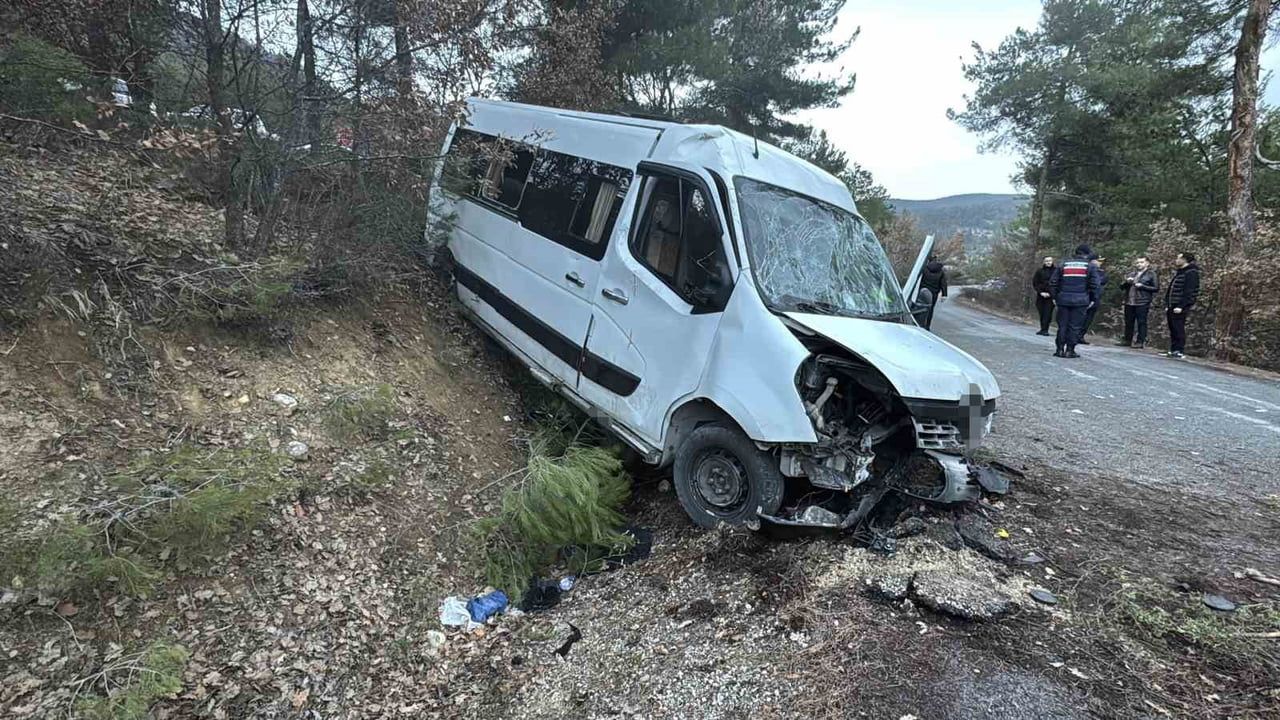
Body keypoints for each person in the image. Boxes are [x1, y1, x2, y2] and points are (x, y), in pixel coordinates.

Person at [1049, 244, 1102, 358]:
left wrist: (1054, 297)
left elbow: (1053, 282)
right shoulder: (1090, 266)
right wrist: (1093, 299)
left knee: (1062, 325)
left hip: (1063, 299)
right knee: (1075, 326)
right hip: (1081, 300)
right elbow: (1095, 285)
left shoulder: (1063, 264)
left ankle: (1059, 349)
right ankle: (1070, 350)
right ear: (1087, 254)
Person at [1163, 251, 1201, 358]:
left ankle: (1179, 350)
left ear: (1184, 260)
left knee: (1178, 327)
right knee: (1172, 327)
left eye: (1178, 258)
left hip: (1179, 305)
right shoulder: (1180, 272)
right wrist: (1167, 304)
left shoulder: (1191, 273)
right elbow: (1171, 289)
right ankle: (1173, 349)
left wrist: (1181, 305)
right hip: (1172, 304)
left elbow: (1190, 291)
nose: (1176, 260)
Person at [1116, 256, 1158, 349]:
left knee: (1141, 322)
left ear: (1147, 263)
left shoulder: (1151, 274)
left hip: (1142, 301)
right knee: (1128, 321)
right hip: (1130, 301)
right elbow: (1121, 287)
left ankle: (1140, 341)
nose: (1139, 264)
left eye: (1141, 262)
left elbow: (1155, 288)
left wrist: (1142, 286)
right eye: (1137, 262)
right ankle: (1127, 340)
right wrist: (1127, 282)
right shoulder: (1132, 273)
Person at [1077, 257, 1107, 344]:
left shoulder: (1102, 273)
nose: (1099, 263)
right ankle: (1074, 334)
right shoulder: (1085, 270)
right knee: (1079, 317)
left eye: (1101, 262)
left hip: (1095, 298)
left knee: (1088, 319)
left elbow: (1101, 281)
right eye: (1098, 261)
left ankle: (1080, 336)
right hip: (1083, 297)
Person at [919, 255, 948, 330]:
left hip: (923, 291)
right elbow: (943, 283)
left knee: (920, 307)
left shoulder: (924, 269)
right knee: (930, 309)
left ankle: (919, 323)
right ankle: (927, 326)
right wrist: (944, 295)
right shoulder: (941, 272)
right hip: (933, 293)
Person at [1032, 256, 1056, 335]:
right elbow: (1035, 283)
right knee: (1041, 312)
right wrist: (1040, 292)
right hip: (1041, 295)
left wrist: (1052, 293)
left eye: (1050, 261)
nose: (1048, 262)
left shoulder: (1056, 271)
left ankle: (1045, 330)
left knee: (1048, 313)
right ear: (1044, 262)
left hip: (1051, 296)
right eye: (1046, 261)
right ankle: (1042, 328)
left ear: (1052, 261)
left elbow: (1058, 284)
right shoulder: (1039, 271)